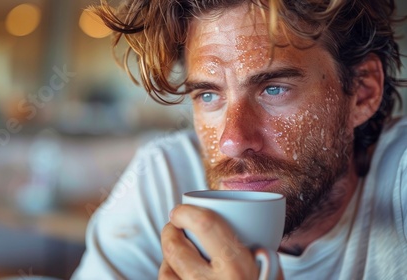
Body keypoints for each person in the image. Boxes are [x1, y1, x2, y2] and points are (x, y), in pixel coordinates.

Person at [73, 0, 407, 279]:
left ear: (362, 91)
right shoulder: (164, 177)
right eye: (208, 95)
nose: (232, 142)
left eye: (274, 89)